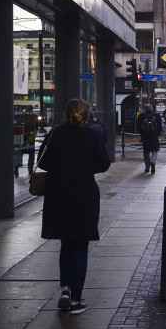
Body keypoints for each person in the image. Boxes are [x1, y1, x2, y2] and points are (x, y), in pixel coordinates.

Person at [38, 98, 112, 315]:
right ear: (87, 113)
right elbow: (104, 163)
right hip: (83, 194)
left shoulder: (56, 133)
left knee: (66, 244)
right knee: (80, 246)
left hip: (57, 194)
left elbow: (42, 161)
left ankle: (65, 290)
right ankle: (76, 302)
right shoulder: (92, 135)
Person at [136, 105, 162, 174]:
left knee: (146, 152)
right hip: (154, 136)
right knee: (155, 150)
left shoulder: (141, 116)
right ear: (151, 108)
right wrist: (158, 134)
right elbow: (160, 126)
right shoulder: (157, 115)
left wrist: (142, 134)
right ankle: (152, 162)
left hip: (145, 136)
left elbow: (138, 127)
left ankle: (147, 167)